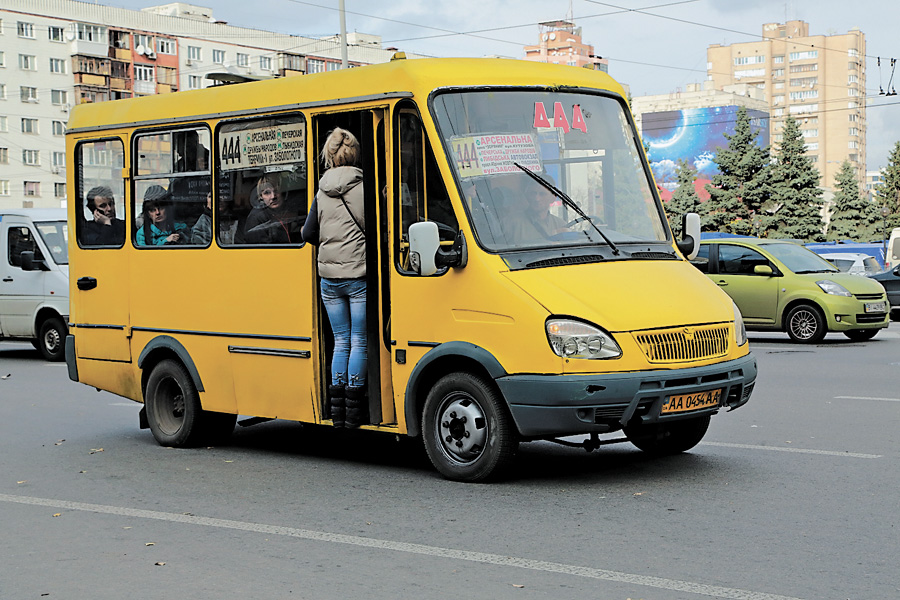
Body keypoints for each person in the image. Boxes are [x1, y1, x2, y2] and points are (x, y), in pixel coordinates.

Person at [302, 128, 367, 428]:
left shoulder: (320, 190)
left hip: (328, 279)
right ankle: (355, 412)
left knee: (340, 341)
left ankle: (338, 412)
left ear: (328, 155)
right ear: (354, 154)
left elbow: (307, 233)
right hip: (357, 276)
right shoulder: (362, 187)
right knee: (359, 341)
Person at [503, 175, 568, 244]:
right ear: (527, 196)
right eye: (533, 193)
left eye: (542, 194)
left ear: (552, 198)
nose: (537, 199)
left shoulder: (560, 225)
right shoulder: (511, 223)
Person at [243, 175, 303, 244]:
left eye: (276, 191)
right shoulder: (256, 218)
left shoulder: (289, 212)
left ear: (283, 192)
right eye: (267, 193)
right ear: (261, 196)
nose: (273, 196)